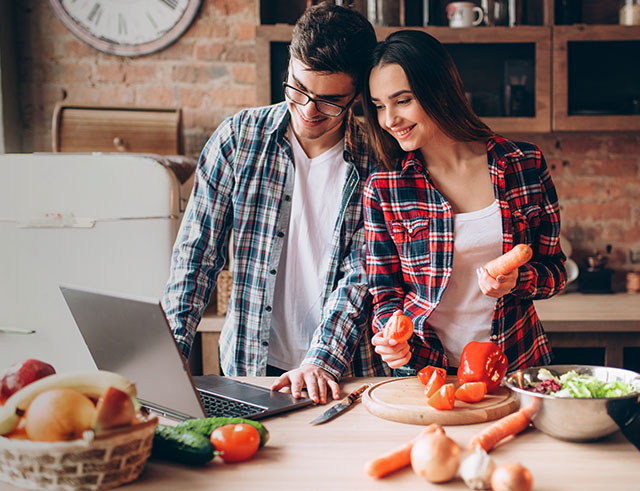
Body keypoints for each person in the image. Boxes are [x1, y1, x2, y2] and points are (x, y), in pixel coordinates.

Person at [162, 3, 389, 405]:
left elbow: (361, 276)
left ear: (358, 93)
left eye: (329, 100)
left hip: (345, 372)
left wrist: (320, 361)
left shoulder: (379, 161)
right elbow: (194, 258)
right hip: (250, 367)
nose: (308, 110)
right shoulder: (238, 139)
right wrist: (168, 355)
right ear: (289, 65)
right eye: (298, 88)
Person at [361, 30, 567, 374]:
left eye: (403, 100)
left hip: (515, 366)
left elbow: (556, 272)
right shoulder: (384, 187)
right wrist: (391, 337)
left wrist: (518, 280)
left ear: (440, 90)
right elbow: (385, 294)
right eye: (380, 106)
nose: (389, 120)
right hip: (424, 373)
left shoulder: (523, 163)